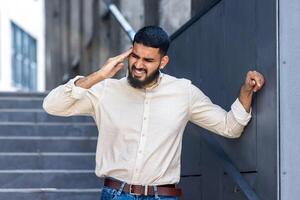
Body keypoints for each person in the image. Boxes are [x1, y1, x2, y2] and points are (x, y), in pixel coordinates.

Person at [43, 26, 264, 200]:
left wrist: (245, 91)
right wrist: (99, 76)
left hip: (163, 196)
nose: (138, 65)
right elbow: (52, 105)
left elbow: (230, 127)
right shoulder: (106, 91)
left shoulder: (183, 92)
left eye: (148, 60)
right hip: (116, 195)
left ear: (163, 62)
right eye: (135, 57)